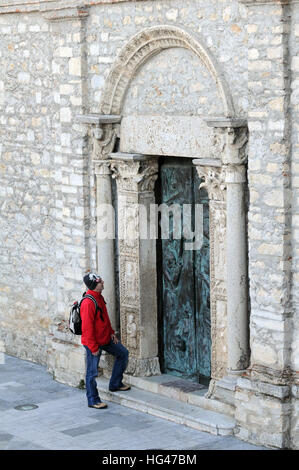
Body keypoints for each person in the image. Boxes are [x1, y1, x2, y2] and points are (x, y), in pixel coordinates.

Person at [81, 272, 130, 409]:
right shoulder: (88, 303)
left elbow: (104, 318)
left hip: (105, 338)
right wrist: (93, 347)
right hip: (93, 343)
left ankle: (115, 383)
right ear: (94, 285)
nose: (103, 282)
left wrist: (111, 333)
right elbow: (87, 328)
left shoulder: (99, 298)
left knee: (123, 353)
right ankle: (93, 400)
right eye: (100, 281)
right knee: (92, 372)